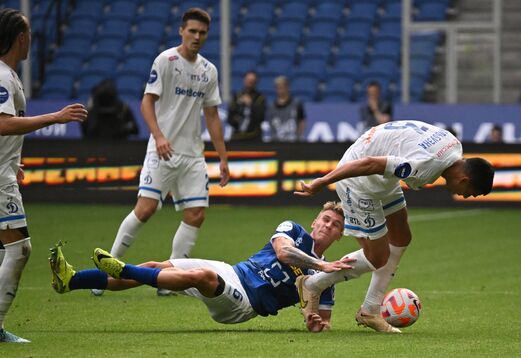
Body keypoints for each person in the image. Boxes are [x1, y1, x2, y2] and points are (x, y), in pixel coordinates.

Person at [293, 120, 494, 333]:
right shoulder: (425, 168)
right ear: (464, 179)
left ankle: (369, 310)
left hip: (381, 176)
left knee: (401, 237)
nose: (466, 196)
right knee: (377, 256)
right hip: (359, 181)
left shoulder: (453, 145)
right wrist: (323, 182)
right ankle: (312, 285)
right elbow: (369, 163)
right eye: (471, 193)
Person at [49, 202, 353, 332]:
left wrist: (315, 323)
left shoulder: (327, 278)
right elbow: (284, 253)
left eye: (336, 225)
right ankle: (71, 280)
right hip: (233, 271)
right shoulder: (295, 231)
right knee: (156, 266)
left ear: (339, 235)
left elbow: (319, 317)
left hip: (244, 304)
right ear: (315, 222)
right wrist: (321, 264)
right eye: (325, 219)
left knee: (201, 277)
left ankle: (122, 269)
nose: (329, 225)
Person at [93, 8, 229, 297]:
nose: (197, 37)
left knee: (196, 214)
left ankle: (170, 280)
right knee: (146, 208)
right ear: (182, 31)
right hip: (162, 150)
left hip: (192, 155)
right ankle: (107, 270)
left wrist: (223, 157)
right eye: (192, 31)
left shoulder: (209, 70)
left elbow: (213, 116)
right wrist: (159, 137)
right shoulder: (166, 60)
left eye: (202, 33)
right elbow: (146, 103)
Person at [0, 8, 88, 343]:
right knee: (20, 249)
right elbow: (3, 123)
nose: (32, 40)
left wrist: (13, 160)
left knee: (4, 250)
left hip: (5, 171)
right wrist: (55, 117)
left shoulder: (9, 75)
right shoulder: (3, 77)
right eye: (29, 34)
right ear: (20, 38)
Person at [227, 71, 266, 141]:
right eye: (248, 80)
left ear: (256, 82)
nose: (249, 83)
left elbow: (261, 117)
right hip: (237, 137)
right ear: (244, 80)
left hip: (254, 137)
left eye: (252, 81)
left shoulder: (260, 98)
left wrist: (251, 104)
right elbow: (230, 118)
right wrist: (236, 118)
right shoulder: (237, 96)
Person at [266, 76, 306, 142]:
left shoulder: (296, 104)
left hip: (293, 141)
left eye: (282, 88)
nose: (280, 90)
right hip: (276, 141)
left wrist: (299, 136)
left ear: (287, 87)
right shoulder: (271, 107)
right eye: (278, 88)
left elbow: (301, 121)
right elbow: (270, 123)